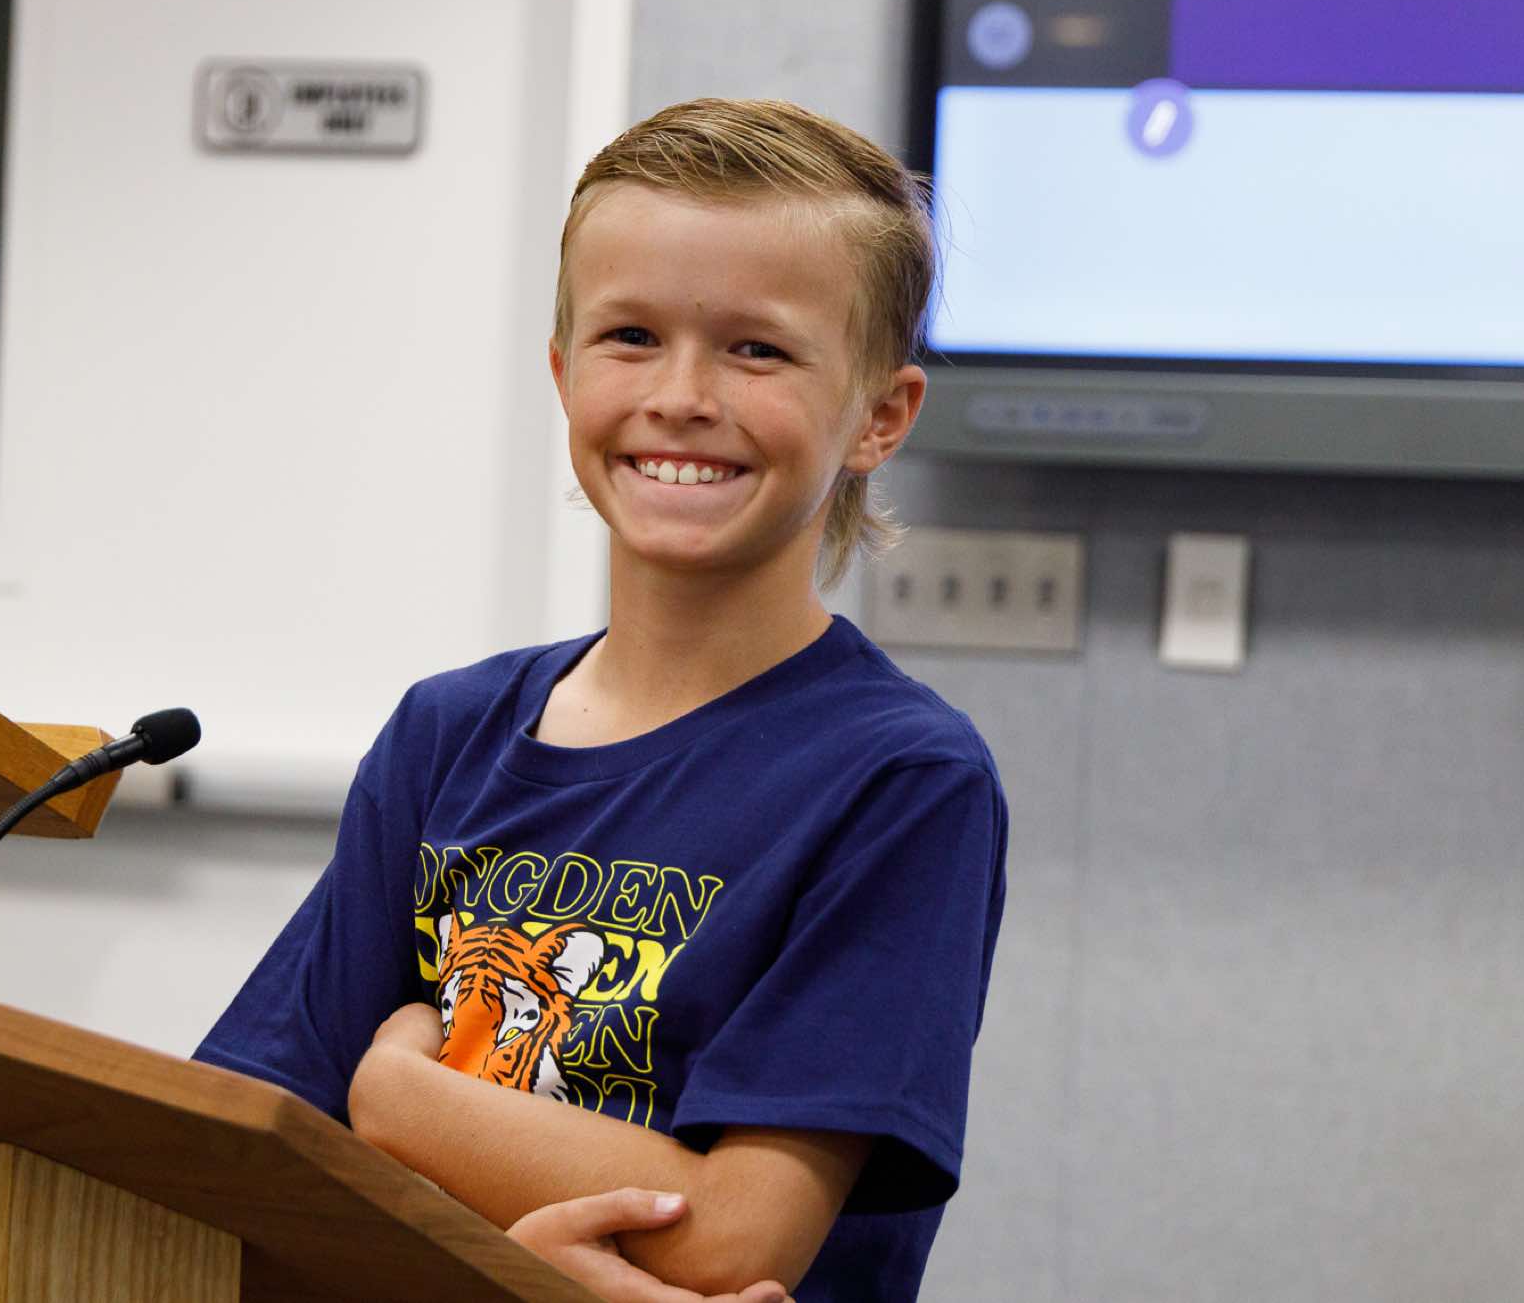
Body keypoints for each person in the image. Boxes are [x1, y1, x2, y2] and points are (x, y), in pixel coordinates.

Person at [194, 98, 1008, 1302]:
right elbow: (240, 1153)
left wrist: (398, 1094)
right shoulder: (448, 734)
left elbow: (729, 1240)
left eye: (756, 350)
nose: (680, 394)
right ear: (562, 371)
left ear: (879, 417)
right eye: (630, 335)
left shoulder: (898, 781)